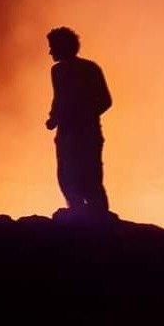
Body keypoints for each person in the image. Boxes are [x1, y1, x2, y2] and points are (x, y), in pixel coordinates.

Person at [45, 27, 112, 215]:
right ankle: (80, 216)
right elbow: (59, 98)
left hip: (85, 134)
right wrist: (54, 118)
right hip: (68, 134)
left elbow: (106, 101)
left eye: (53, 47)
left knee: (89, 179)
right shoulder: (58, 71)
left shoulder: (89, 69)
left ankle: (96, 221)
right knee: (68, 177)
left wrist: (82, 118)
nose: (50, 51)